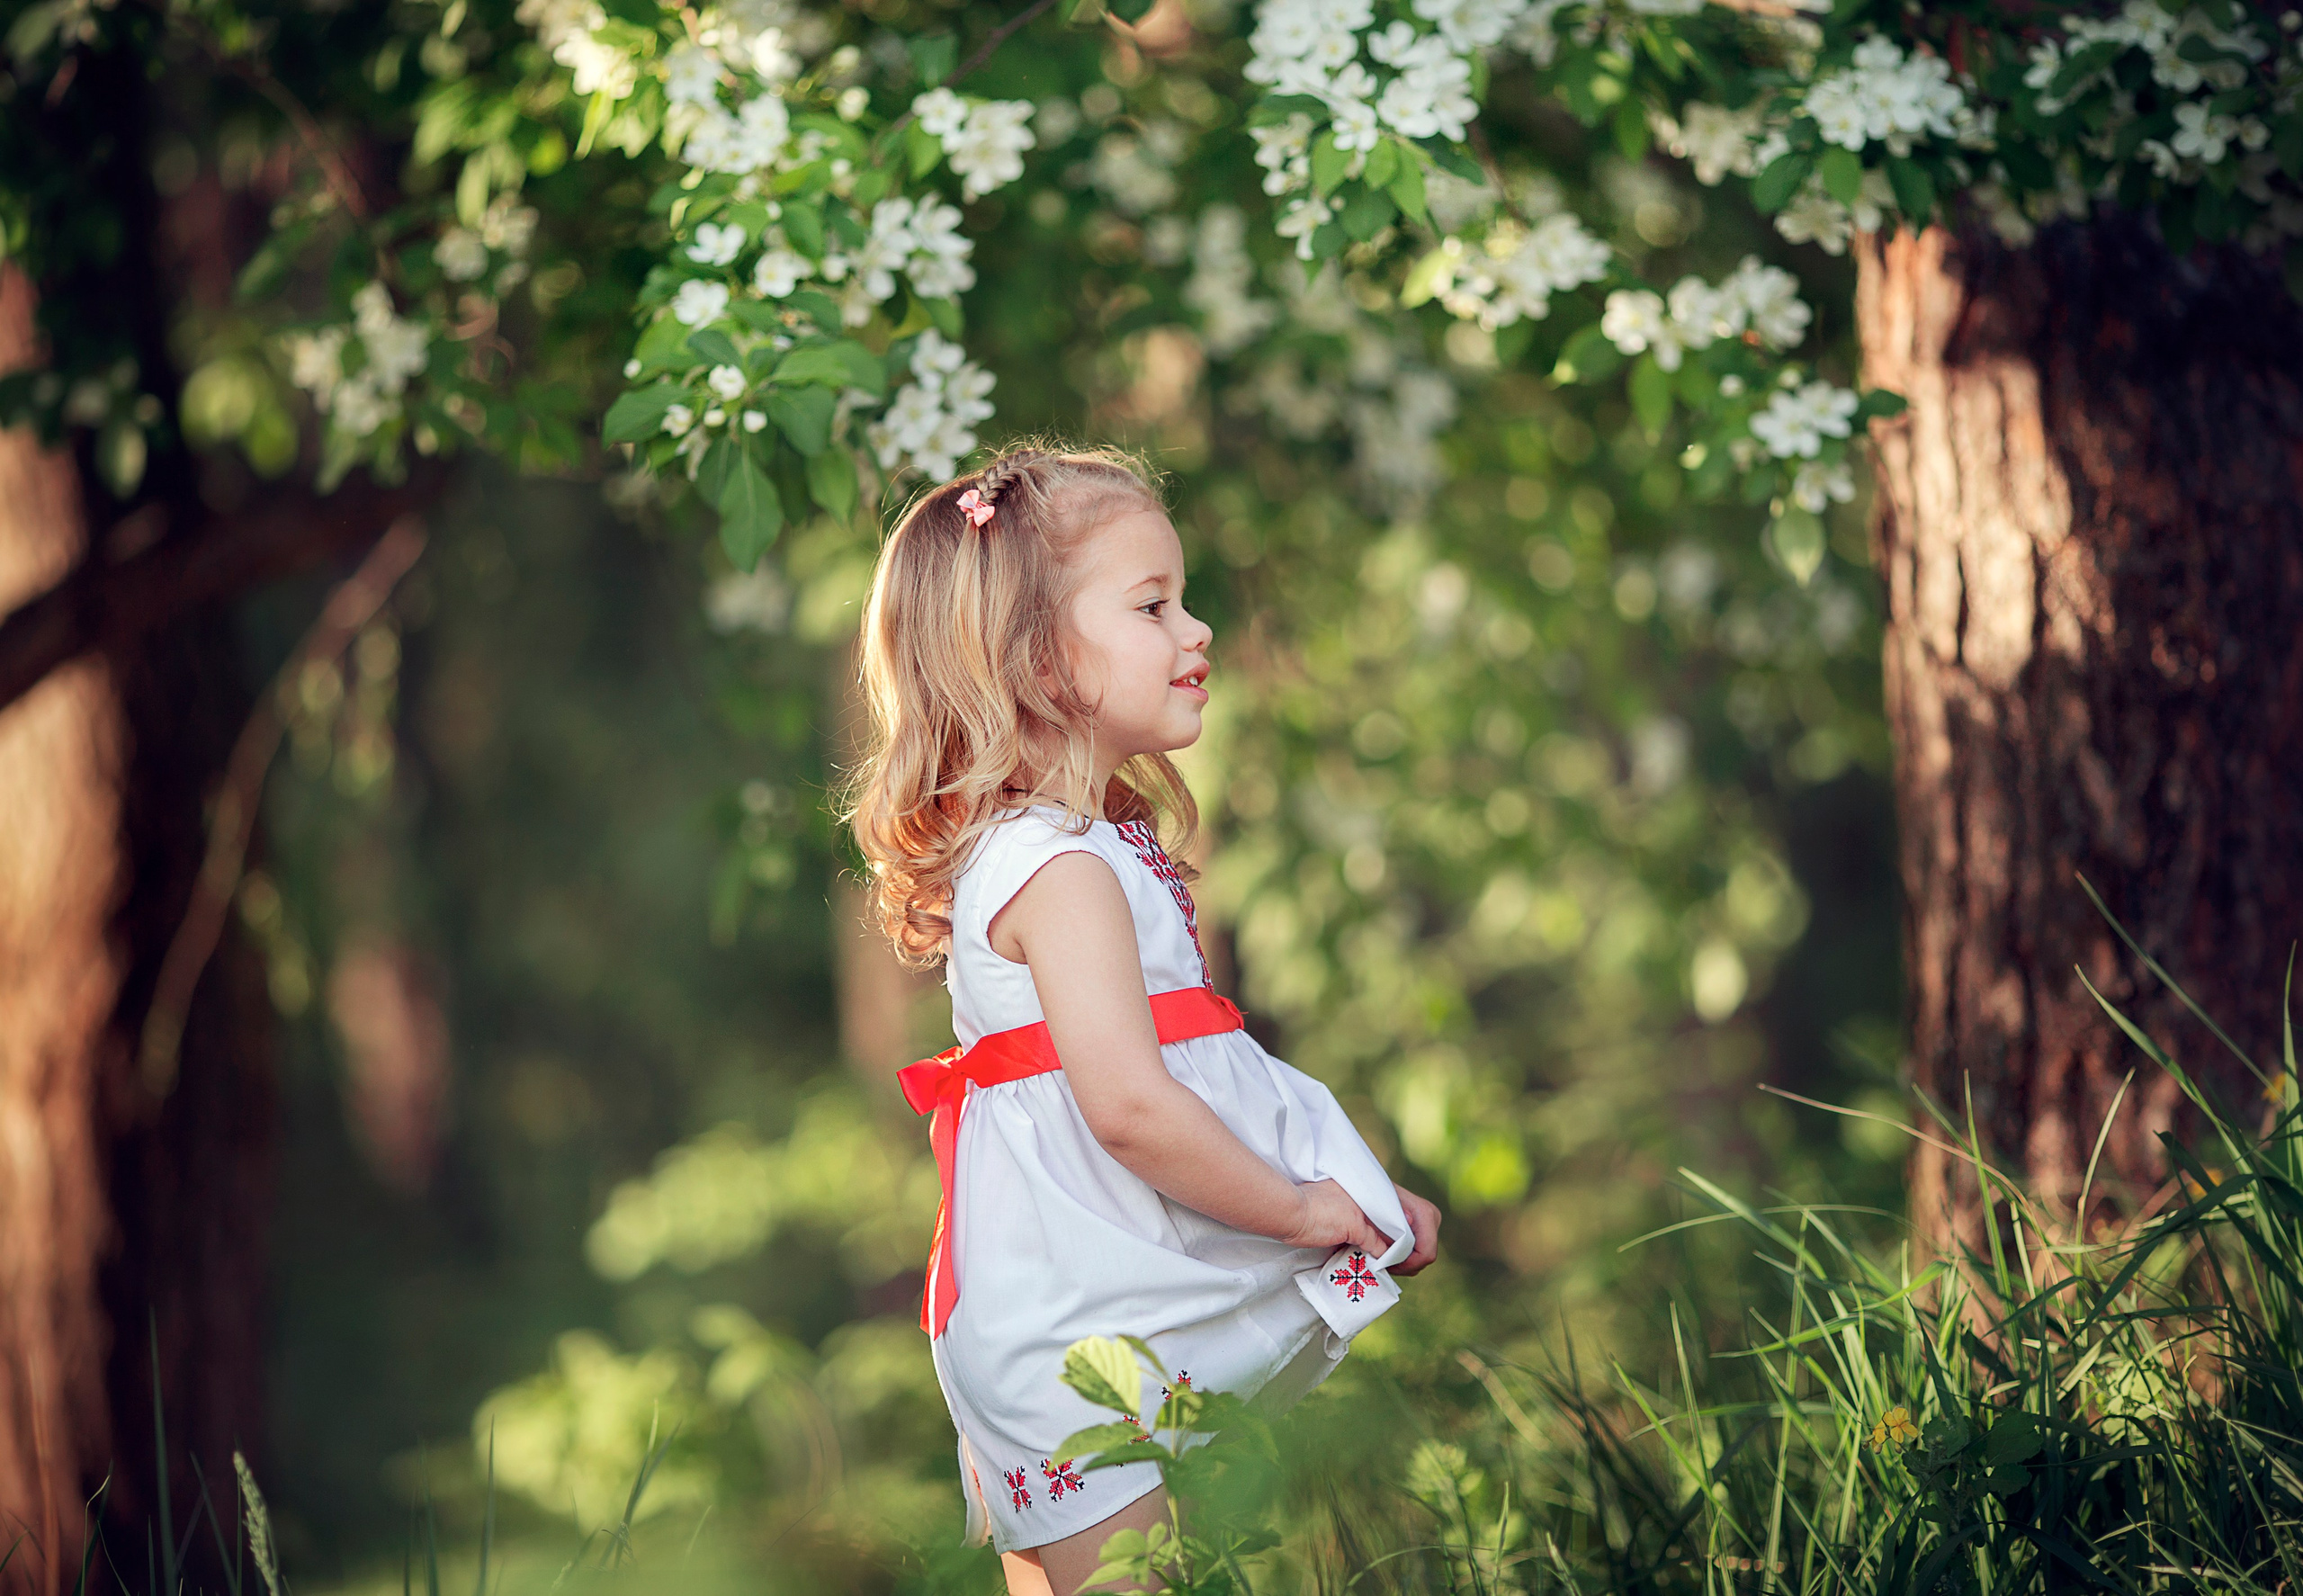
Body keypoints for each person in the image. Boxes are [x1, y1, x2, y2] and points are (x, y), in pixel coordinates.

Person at [843, 443, 1441, 1596]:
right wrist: (1306, 1208)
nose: (1196, 630)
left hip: (1119, 1304)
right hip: (1077, 1338)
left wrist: (1350, 1196)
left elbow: (1212, 1086)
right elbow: (1130, 1109)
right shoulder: (1052, 868)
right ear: (1036, 656)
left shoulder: (1093, 850)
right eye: (1152, 604)